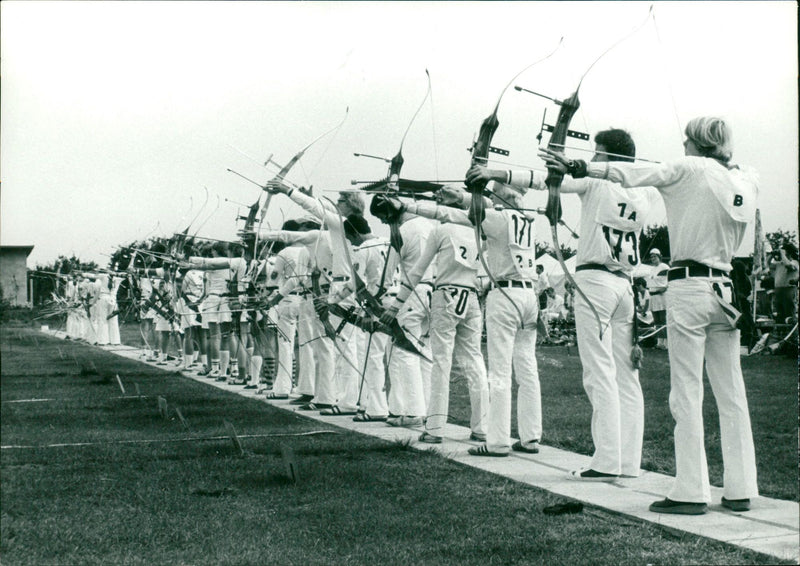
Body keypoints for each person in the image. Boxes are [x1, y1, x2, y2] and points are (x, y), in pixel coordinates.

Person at [542, 116, 759, 514]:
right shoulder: (746, 179)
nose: (683, 144)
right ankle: (741, 488)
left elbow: (643, 172)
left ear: (696, 142)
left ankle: (691, 491)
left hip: (690, 286)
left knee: (687, 392)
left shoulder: (690, 166)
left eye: (687, 139)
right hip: (725, 287)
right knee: (732, 395)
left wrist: (582, 166)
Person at [471, 128, 652, 480]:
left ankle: (606, 460)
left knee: (600, 373)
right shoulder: (643, 192)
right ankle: (628, 461)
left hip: (597, 283)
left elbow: (547, 182)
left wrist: (494, 173)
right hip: (625, 286)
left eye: (598, 153)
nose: (594, 159)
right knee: (627, 377)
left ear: (609, 157)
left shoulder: (597, 182)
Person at [390, 180, 542, 456]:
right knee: (484, 362)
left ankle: (437, 427)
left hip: (452, 294)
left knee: (444, 361)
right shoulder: (520, 222)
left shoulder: (466, 225)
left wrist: (409, 206)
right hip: (481, 296)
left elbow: (420, 264)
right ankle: (493, 428)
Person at [380, 194, 489, 443]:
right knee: (474, 360)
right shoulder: (477, 231)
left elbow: (417, 270)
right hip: (471, 296)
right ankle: (482, 426)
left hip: (446, 293)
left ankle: (436, 428)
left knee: (441, 362)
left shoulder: (441, 230)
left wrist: (396, 305)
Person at [645, 249, 670, 349]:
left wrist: (663, 289)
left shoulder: (664, 267)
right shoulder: (651, 269)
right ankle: (660, 343)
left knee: (663, 319)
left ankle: (666, 343)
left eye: (654, 256)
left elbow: (667, 282)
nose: (652, 259)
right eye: (651, 257)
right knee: (657, 320)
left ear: (659, 256)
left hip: (662, 296)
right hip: (653, 296)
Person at [770, 243, 798, 324]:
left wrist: (782, 254)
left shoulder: (794, 262)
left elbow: (788, 265)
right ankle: (782, 333)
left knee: (789, 314)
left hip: (788, 289)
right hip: (779, 290)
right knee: (780, 315)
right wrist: (772, 255)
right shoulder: (780, 263)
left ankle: (793, 333)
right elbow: (768, 265)